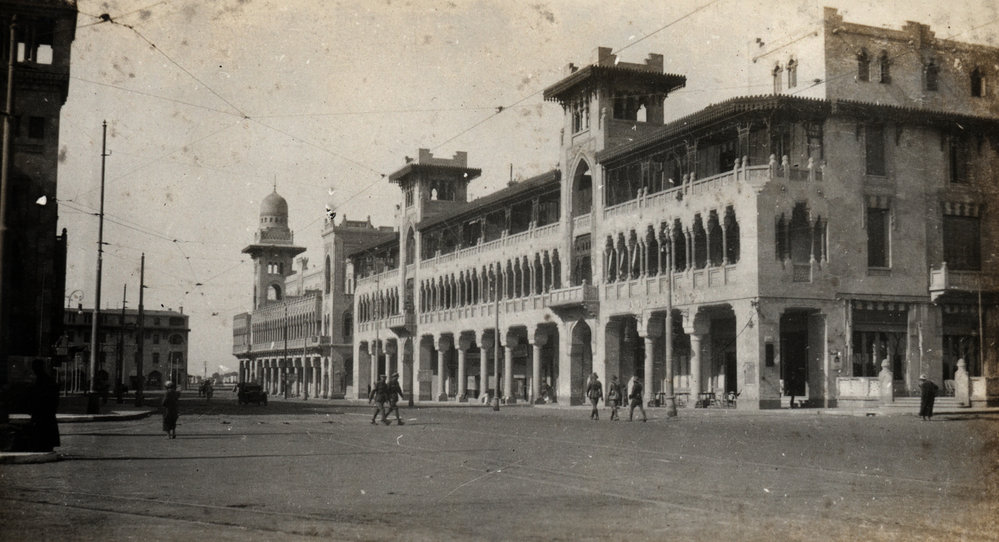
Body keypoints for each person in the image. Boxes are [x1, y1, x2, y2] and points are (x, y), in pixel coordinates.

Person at [29, 359, 60, 452]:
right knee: (46, 429)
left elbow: (42, 395)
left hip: (43, 410)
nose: (34, 369)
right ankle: (45, 445)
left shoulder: (43, 379)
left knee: (42, 429)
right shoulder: (44, 378)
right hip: (46, 410)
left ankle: (43, 446)